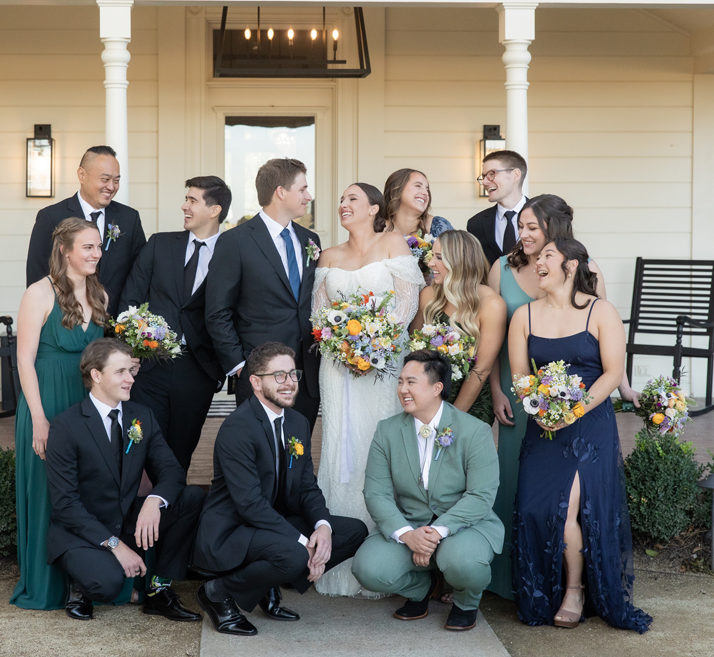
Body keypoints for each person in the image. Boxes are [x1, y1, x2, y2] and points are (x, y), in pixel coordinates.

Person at [485, 193, 635, 601]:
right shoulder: (514, 290)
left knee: (570, 506)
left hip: (587, 415)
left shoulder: (595, 298)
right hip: (534, 408)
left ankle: (575, 588)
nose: (524, 235)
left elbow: (610, 359)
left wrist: (606, 395)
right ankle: (526, 583)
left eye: (532, 227)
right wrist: (532, 402)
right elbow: (508, 358)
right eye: (521, 226)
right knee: (528, 500)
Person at [507, 238, 651, 633]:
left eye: (547, 256)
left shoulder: (600, 311)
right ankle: (543, 590)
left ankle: (575, 590)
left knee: (566, 508)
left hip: (589, 423)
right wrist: (540, 409)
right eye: (537, 257)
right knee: (535, 508)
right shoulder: (524, 316)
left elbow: (612, 372)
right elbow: (520, 377)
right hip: (543, 424)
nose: (538, 262)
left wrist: (574, 410)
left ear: (570, 266)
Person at [193, 342, 368, 637]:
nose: (289, 383)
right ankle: (217, 592)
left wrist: (323, 528)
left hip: (272, 521)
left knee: (353, 532)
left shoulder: (297, 422)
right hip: (234, 527)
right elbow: (249, 504)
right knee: (295, 554)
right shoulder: (238, 427)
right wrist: (304, 542)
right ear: (255, 382)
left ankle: (267, 583)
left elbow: (307, 486)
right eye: (279, 376)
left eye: (293, 374)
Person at [312, 183, 424, 597]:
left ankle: (385, 557)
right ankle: (337, 558)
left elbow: (407, 305)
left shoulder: (393, 243)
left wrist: (372, 345)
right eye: (341, 200)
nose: (343, 204)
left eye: (352, 199)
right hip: (337, 367)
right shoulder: (329, 256)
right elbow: (319, 316)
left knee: (379, 442)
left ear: (375, 208)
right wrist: (344, 346)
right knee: (341, 444)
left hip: (385, 361)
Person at [46, 338, 206, 622]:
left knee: (192, 498)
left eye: (130, 371)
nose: (130, 379)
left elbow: (172, 470)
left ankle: (158, 590)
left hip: (128, 518)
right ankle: (80, 584)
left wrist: (154, 501)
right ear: (96, 375)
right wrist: (115, 545)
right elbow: (65, 505)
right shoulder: (66, 426)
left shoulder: (141, 416)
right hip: (83, 531)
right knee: (106, 585)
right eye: (120, 372)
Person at [352, 350, 504, 631]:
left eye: (411, 382)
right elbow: (376, 493)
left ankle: (466, 602)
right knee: (368, 569)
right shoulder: (387, 431)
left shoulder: (475, 431)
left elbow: (481, 495)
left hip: (464, 524)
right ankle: (421, 588)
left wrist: (436, 532)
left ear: (437, 388)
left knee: (464, 562)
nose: (403, 389)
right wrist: (407, 534)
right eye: (400, 382)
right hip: (410, 522)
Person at [9, 217, 106, 610]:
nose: (96, 254)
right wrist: (39, 417)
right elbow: (24, 359)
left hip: (85, 401)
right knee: (48, 492)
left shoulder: (99, 293)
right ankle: (46, 584)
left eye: (98, 246)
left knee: (86, 489)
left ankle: (86, 579)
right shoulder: (38, 293)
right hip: (46, 398)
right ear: (65, 250)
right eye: (88, 247)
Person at [120, 176, 229, 473]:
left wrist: (222, 368)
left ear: (214, 210)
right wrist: (129, 354)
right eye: (186, 199)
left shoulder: (233, 253)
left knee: (180, 453)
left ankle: (171, 502)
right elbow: (130, 301)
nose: (184, 206)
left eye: (192, 200)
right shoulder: (159, 244)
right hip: (148, 367)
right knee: (140, 448)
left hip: (198, 371)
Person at [205, 158, 322, 431]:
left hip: (305, 373)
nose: (309, 196)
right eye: (302, 189)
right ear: (281, 192)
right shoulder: (235, 241)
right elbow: (217, 311)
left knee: (300, 447)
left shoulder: (310, 240)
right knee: (260, 448)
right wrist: (240, 366)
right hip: (260, 373)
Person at [26, 145, 146, 317]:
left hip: (116, 323)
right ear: (82, 175)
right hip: (67, 321)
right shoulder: (51, 217)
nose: (111, 187)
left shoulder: (129, 218)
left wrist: (127, 319)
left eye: (116, 180)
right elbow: (37, 274)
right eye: (105, 179)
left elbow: (139, 275)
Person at [411, 230, 506, 426]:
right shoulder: (429, 296)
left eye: (439, 257)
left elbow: (482, 369)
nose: (431, 263)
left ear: (459, 262)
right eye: (432, 256)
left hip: (471, 403)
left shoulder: (491, 304)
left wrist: (449, 418)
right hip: (428, 397)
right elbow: (413, 350)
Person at [466, 150, 528, 268]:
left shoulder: (545, 216)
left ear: (515, 175)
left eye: (492, 174)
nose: (485, 182)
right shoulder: (476, 224)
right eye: (484, 176)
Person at [383, 168, 453, 238]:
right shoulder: (379, 229)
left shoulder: (439, 226)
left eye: (427, 189)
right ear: (396, 190)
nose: (426, 193)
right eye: (418, 186)